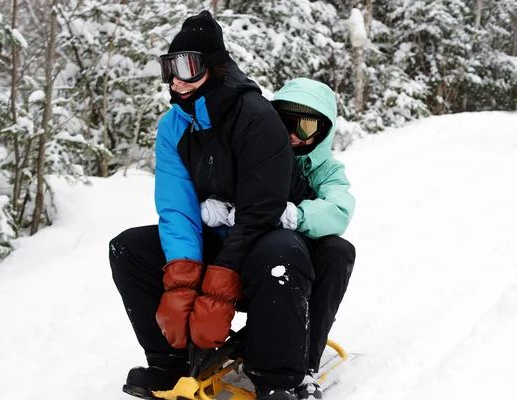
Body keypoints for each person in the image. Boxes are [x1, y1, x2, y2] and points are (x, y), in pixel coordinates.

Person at [110, 10, 330, 400]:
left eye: (188, 67)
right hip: (214, 242)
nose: (177, 78)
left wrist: (219, 288)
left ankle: (279, 378)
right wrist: (181, 280)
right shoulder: (173, 126)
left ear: (214, 67)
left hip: (259, 243)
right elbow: (177, 208)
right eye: (169, 68)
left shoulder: (256, 117)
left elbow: (261, 211)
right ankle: (169, 361)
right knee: (129, 247)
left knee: (281, 250)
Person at [200, 78, 356, 400]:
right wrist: (211, 206)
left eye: (307, 126)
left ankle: (304, 366)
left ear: (323, 132)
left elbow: (338, 208)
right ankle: (194, 348)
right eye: (284, 122)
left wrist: (295, 216)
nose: (294, 135)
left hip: (295, 270)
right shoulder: (250, 150)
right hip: (242, 257)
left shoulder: (325, 170)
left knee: (338, 251)